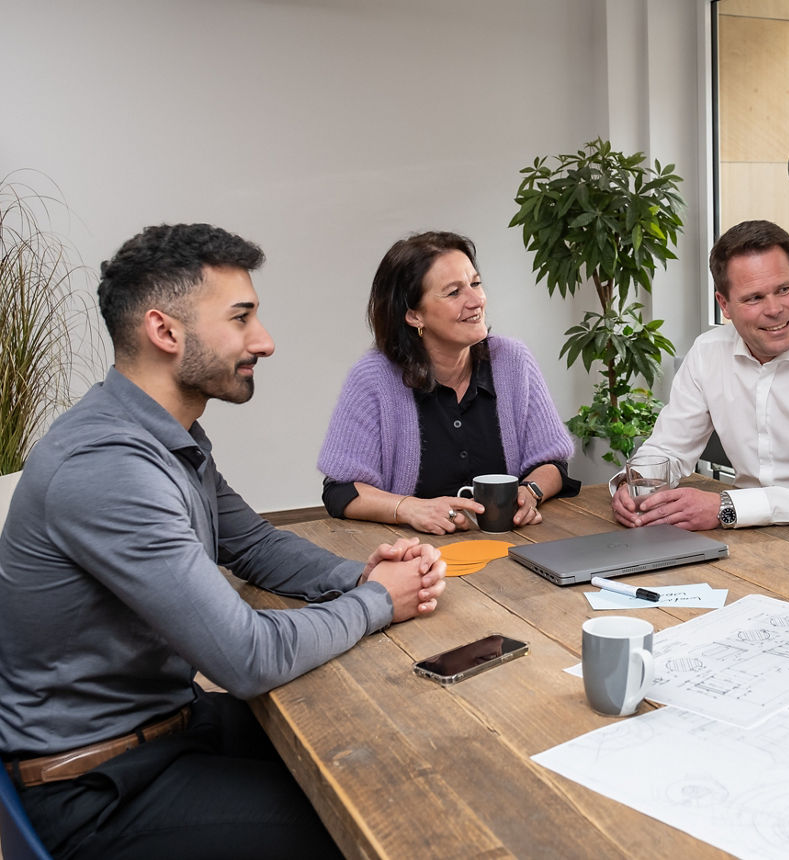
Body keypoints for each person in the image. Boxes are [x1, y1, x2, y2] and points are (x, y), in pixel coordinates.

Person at [0, 224, 447, 859]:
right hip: (100, 788)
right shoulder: (109, 465)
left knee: (389, 752)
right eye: (241, 318)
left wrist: (364, 574)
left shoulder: (166, 438)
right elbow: (245, 656)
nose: (264, 341)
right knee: (377, 827)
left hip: (169, 726)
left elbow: (255, 544)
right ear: (165, 332)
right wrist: (378, 601)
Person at [611, 219, 789, 531]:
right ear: (724, 304)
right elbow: (669, 448)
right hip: (749, 534)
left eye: (784, 289)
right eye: (754, 298)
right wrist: (635, 484)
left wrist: (727, 507)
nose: (775, 309)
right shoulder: (707, 352)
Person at [318, 231, 578, 535]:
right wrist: (409, 508)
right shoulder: (373, 377)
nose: (476, 301)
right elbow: (342, 490)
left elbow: (552, 462)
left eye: (475, 284)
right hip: (413, 552)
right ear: (414, 315)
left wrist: (530, 492)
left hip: (510, 545)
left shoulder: (512, 360)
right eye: (454, 292)